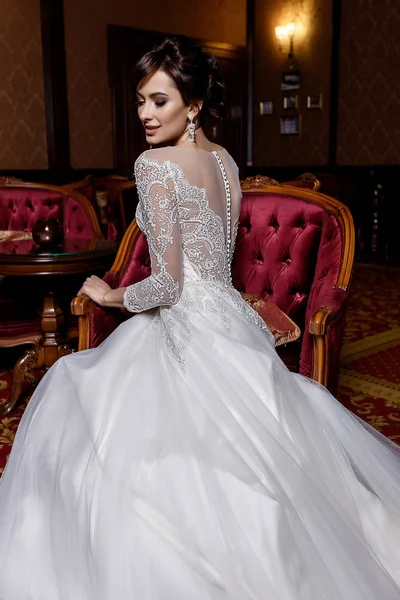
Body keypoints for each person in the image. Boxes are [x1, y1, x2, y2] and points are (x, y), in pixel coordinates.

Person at [0, 35, 399, 600]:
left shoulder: (154, 166)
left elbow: (167, 284)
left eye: (159, 101)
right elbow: (212, 265)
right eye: (140, 100)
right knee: (272, 455)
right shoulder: (225, 161)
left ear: (192, 106)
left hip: (184, 323)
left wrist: (109, 296)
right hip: (230, 320)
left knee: (86, 404)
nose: (145, 113)